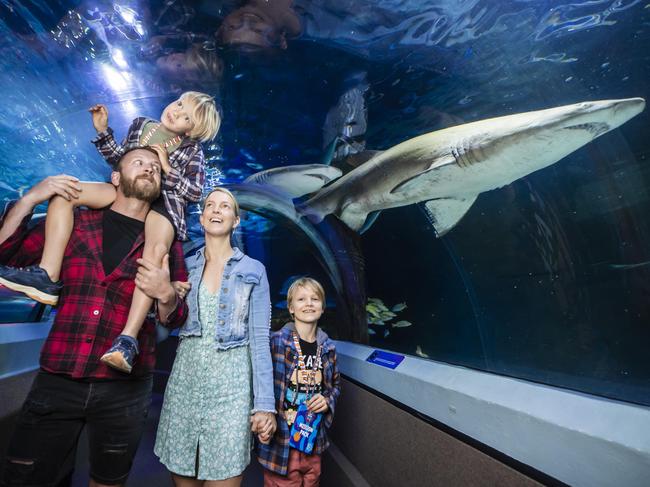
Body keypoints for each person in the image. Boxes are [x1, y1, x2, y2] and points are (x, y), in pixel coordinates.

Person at [0, 147, 189, 487]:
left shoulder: (165, 241)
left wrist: (166, 294)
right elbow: (6, 252)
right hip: (60, 376)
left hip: (126, 388)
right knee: (26, 477)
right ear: (115, 177)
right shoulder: (74, 221)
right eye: (138, 163)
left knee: (109, 480)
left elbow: (175, 319)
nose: (148, 169)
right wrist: (30, 199)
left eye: (155, 169)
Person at [0, 91, 220, 374]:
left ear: (191, 130)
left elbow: (194, 192)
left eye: (186, 116)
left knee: (152, 256)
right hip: (118, 191)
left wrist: (166, 168)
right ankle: (48, 274)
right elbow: (120, 159)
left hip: (164, 207)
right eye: (179, 104)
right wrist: (103, 131)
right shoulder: (142, 124)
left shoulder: (191, 151)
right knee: (66, 193)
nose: (176, 112)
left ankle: (128, 338)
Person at [154, 187, 277, 486]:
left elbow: (260, 341)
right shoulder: (184, 265)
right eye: (210, 205)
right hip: (185, 387)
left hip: (232, 393)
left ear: (236, 221)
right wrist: (166, 297)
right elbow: (161, 329)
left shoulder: (254, 270)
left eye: (225, 206)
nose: (216, 210)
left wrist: (264, 405)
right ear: (202, 216)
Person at [257, 277, 341, 487]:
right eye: (301, 299)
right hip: (282, 443)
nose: (309, 303)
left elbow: (335, 386)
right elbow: (259, 380)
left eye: (315, 299)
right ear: (291, 307)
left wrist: (327, 400)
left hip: (313, 441)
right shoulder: (275, 342)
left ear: (323, 308)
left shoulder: (328, 348)